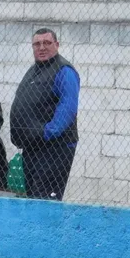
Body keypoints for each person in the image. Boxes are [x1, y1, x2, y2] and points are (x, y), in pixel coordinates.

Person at [10, 28, 80, 200]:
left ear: (56, 45)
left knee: (46, 201)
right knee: (34, 198)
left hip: (54, 150)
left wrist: (46, 132)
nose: (42, 47)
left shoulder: (64, 71)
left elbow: (68, 107)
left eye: (47, 43)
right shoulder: (34, 70)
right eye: (37, 44)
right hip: (33, 147)